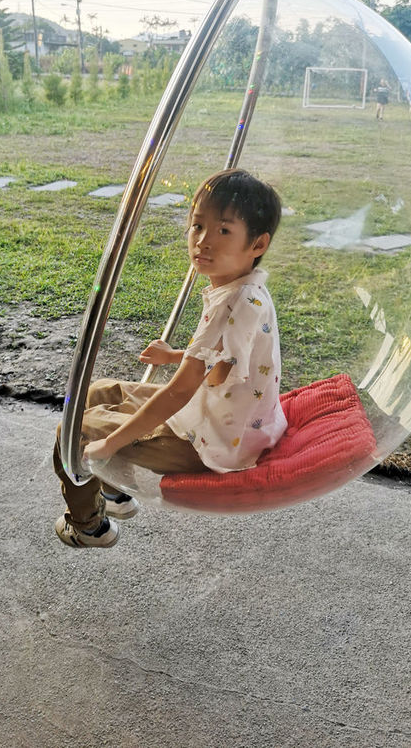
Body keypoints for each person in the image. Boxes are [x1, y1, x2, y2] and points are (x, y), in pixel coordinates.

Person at [52, 168, 287, 548]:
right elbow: (223, 367)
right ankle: (114, 493)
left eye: (224, 231)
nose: (203, 242)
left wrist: (109, 445)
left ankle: (88, 525)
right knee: (97, 392)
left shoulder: (230, 304)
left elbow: (180, 392)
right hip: (227, 419)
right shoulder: (247, 289)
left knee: (72, 431)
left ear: (257, 244)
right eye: (197, 226)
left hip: (211, 444)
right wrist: (179, 354)